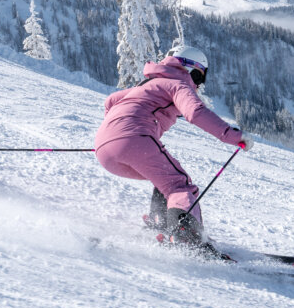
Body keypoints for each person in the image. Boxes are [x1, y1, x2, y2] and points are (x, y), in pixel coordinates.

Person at [95, 45, 252, 254]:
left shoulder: (145, 86)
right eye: (199, 78)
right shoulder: (177, 85)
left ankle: (161, 221)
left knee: (165, 179)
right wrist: (233, 136)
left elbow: (111, 101)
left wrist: (114, 135)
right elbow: (195, 113)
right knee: (180, 186)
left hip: (104, 149)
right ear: (193, 71)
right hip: (134, 140)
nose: (198, 85)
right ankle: (186, 237)